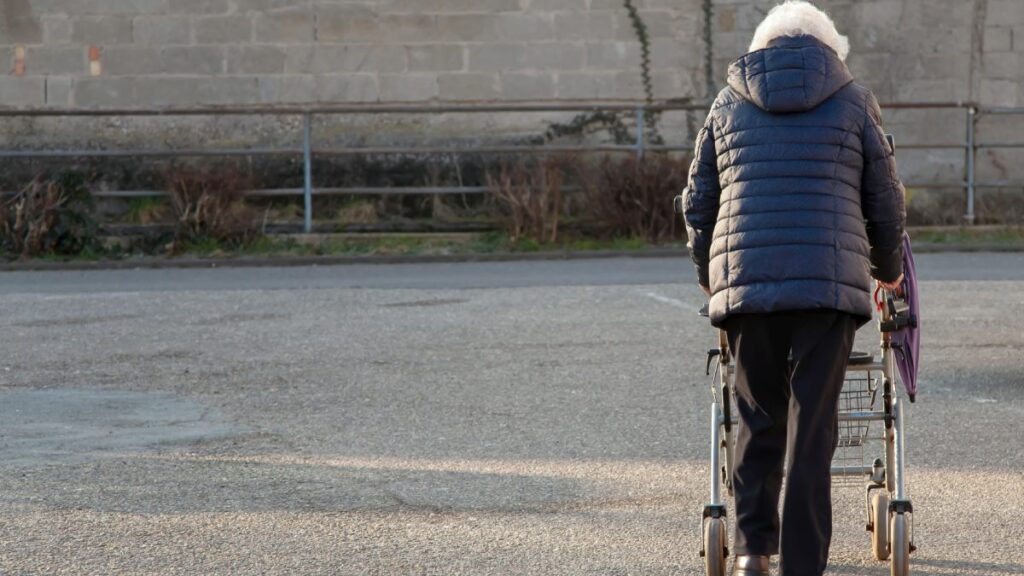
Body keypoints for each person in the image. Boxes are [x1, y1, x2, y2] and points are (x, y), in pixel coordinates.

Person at [682, 2, 906, 575]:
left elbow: (699, 201)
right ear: (830, 50)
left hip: (749, 285)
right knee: (813, 427)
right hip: (829, 285)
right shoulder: (854, 101)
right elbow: (884, 199)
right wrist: (886, 267)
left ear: (763, 46)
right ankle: (803, 564)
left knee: (757, 417)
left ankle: (755, 551)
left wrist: (713, 275)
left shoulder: (728, 101)